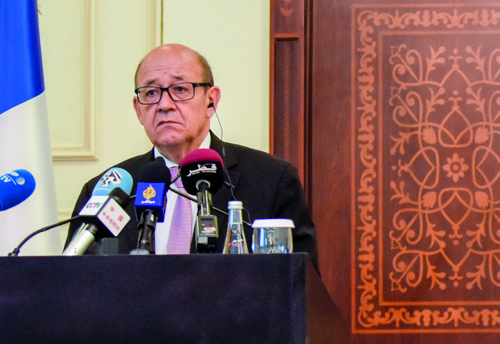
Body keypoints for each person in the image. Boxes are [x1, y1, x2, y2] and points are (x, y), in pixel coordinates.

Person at [70, 43, 317, 262]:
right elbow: (76, 286)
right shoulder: (106, 191)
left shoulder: (271, 181)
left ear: (211, 101)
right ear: (138, 110)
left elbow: (300, 284)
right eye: (151, 93)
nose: (164, 105)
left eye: (180, 89)